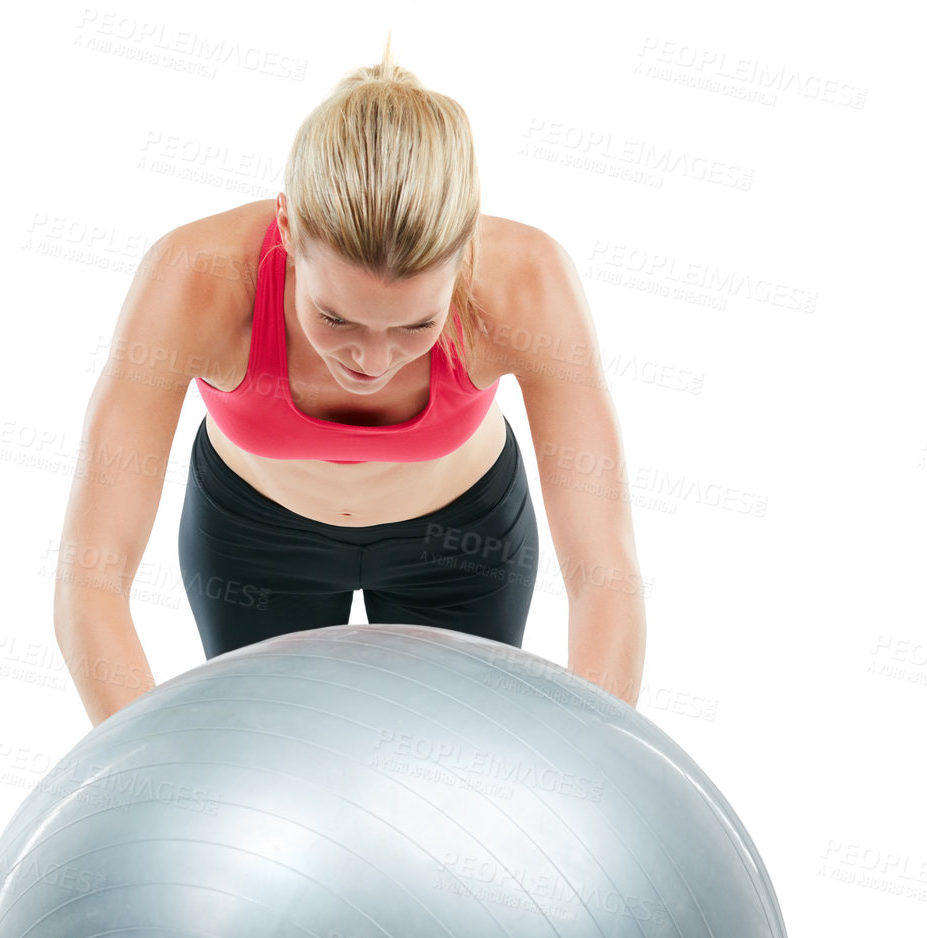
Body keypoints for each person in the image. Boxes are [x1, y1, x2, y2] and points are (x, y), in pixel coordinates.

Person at [54, 35, 644, 727]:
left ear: (467, 257)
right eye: (334, 318)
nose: (370, 362)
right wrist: (144, 757)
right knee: (269, 759)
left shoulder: (528, 284)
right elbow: (90, 578)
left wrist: (595, 766)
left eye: (414, 328)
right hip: (254, 540)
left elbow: (605, 576)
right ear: (287, 226)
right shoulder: (194, 278)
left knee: (452, 767)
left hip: (460, 542)